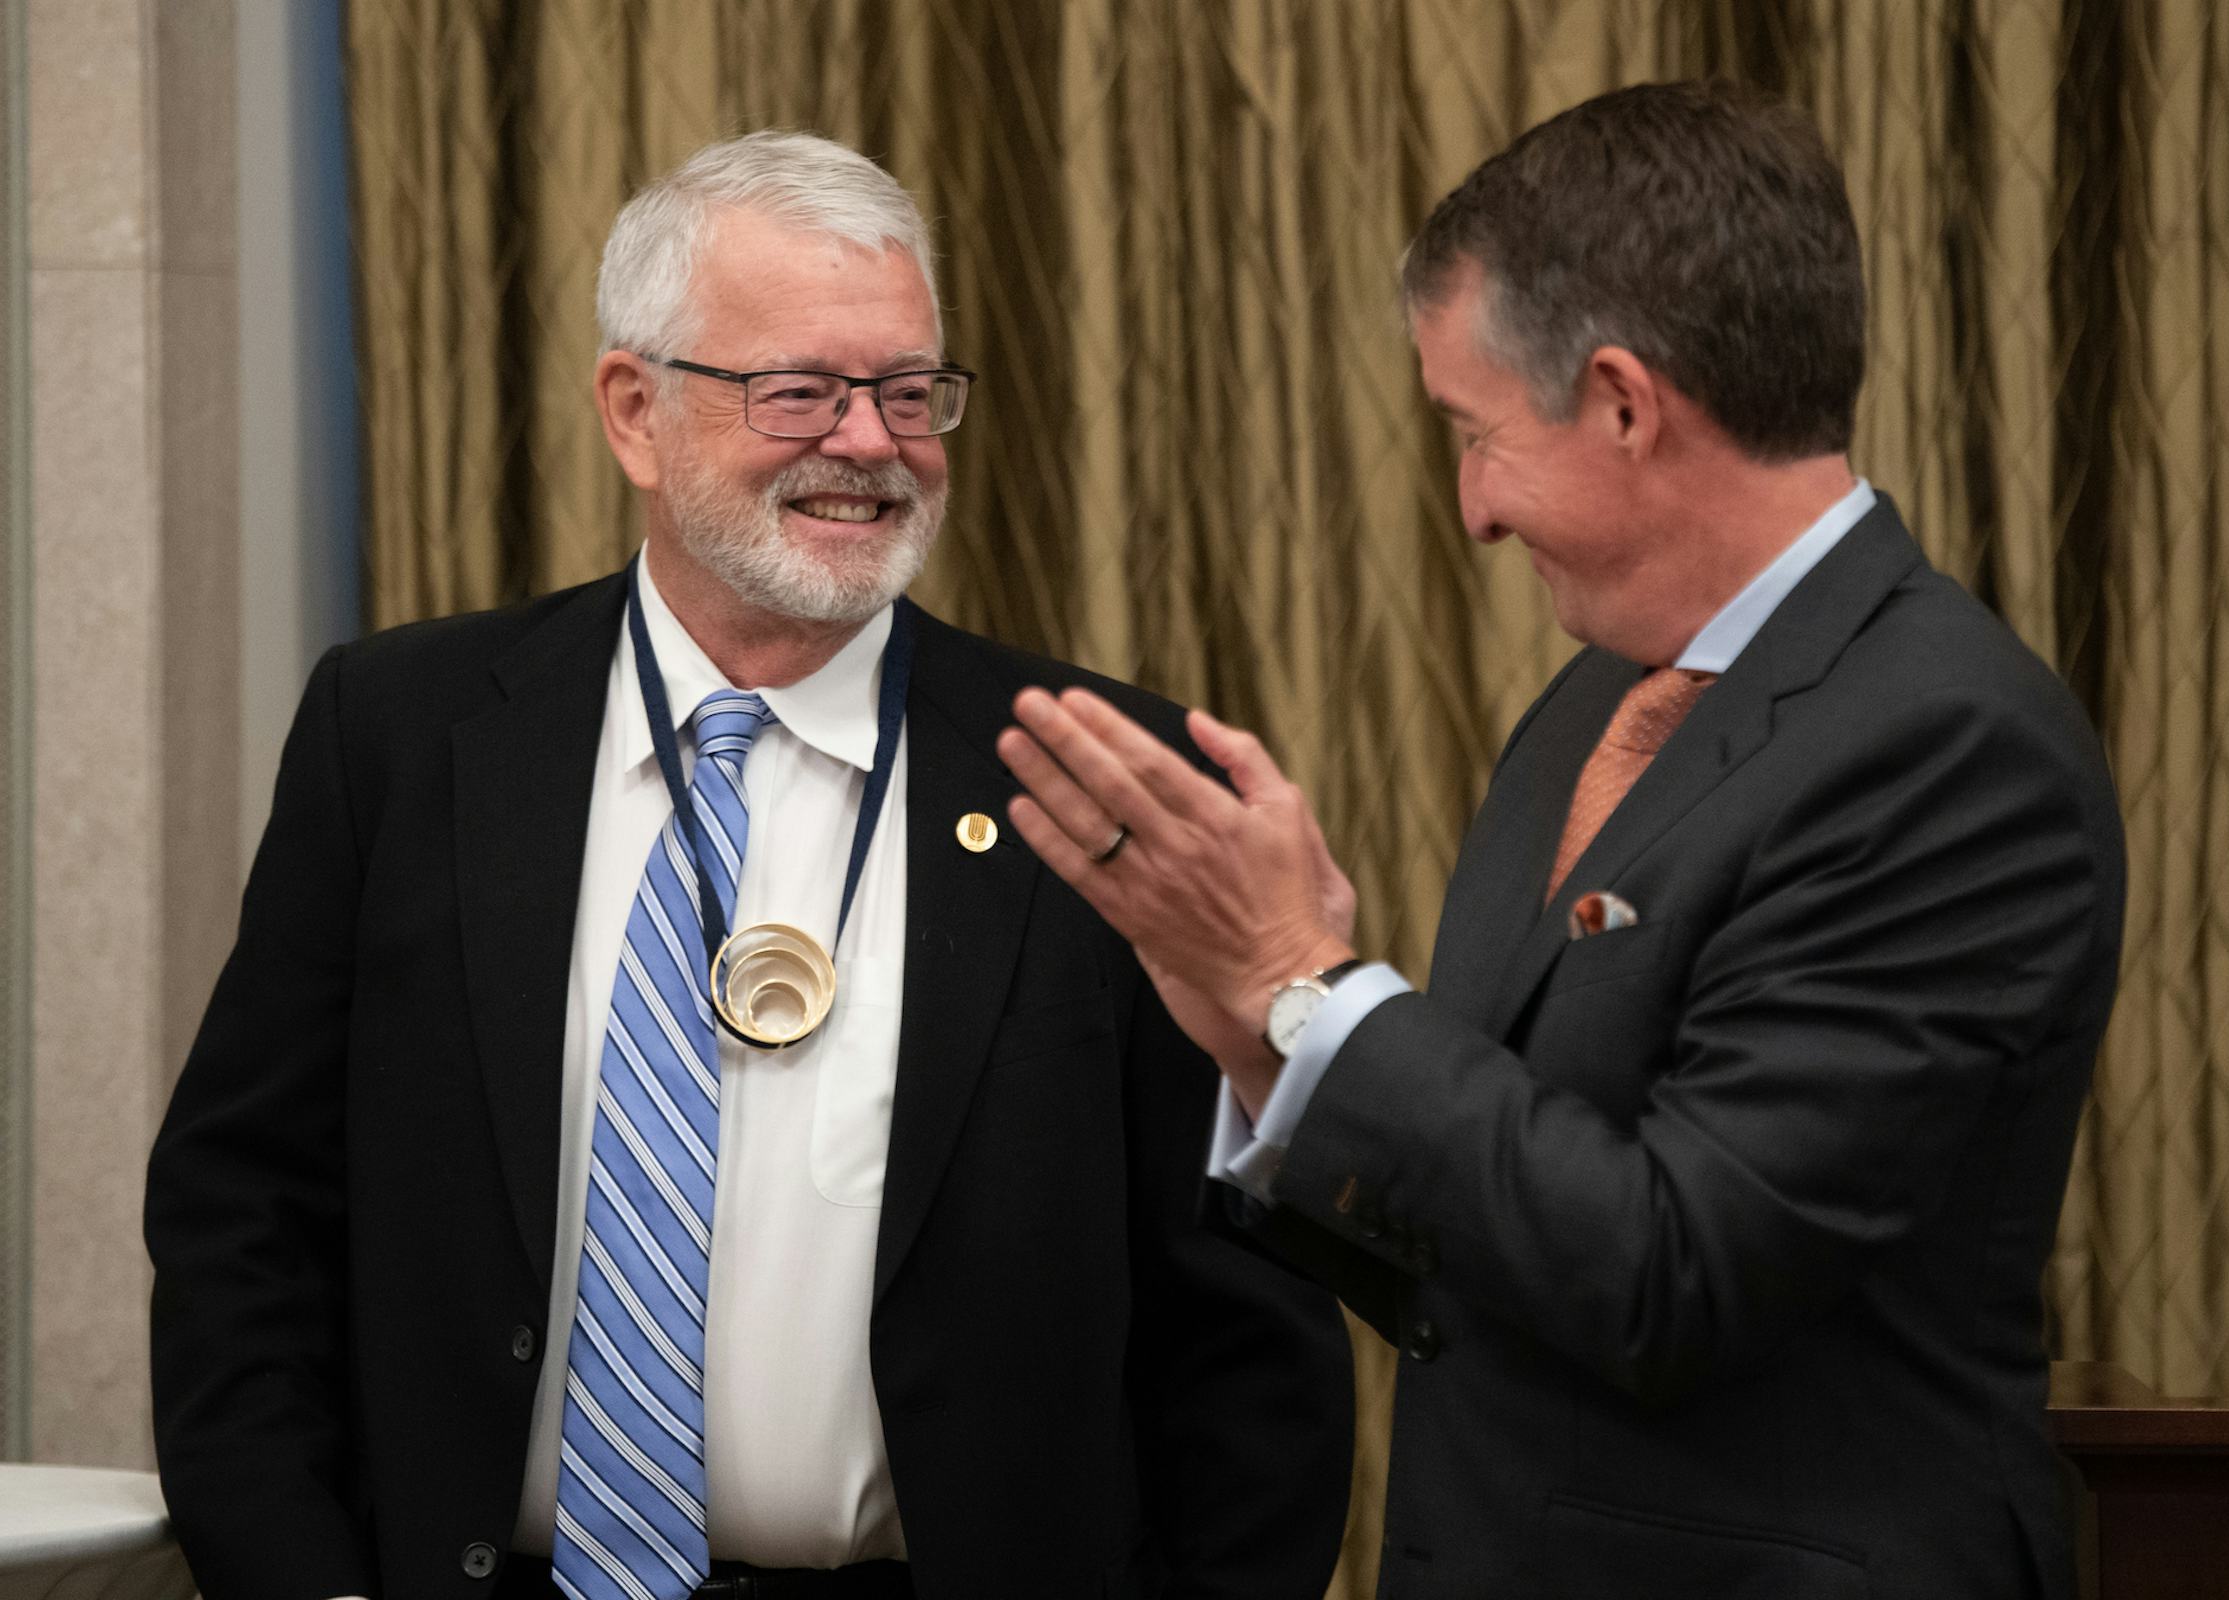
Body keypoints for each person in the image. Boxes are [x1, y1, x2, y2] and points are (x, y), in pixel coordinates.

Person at [145, 130, 1352, 1600]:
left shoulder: (1103, 780)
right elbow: (246, 1213)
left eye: (908, 391)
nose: (870, 443)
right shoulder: (399, 735)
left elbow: (1246, 1320)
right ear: (635, 411)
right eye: (799, 391)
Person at [1000, 81, 2125, 1600]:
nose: (1470, 512)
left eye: (1476, 434)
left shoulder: (1947, 747)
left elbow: (1677, 1276)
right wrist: (1270, 1048)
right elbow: (1500, 1253)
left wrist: (1309, 987)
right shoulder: (1593, 702)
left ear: (1621, 402)